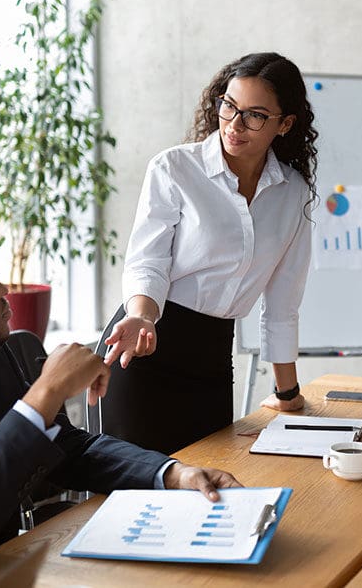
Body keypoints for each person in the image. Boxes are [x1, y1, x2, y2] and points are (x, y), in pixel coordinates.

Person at [0, 218, 241, 588]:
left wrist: (170, 474)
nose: (3, 289)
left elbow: (67, 448)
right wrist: (44, 393)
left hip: (8, 569)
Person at [102, 52, 318, 454]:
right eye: (229, 106)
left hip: (213, 360)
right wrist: (141, 315)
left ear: (284, 124)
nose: (234, 125)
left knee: (208, 491)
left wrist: (287, 393)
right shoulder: (174, 169)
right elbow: (148, 261)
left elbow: (283, 301)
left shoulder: (292, 194)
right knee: (139, 495)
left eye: (254, 115)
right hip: (146, 346)